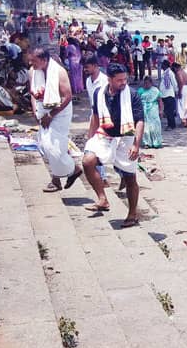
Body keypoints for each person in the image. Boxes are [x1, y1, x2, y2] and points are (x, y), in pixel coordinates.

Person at [82, 63, 144, 228]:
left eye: (125, 79)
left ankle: (132, 214)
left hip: (127, 136)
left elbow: (140, 121)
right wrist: (91, 138)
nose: (123, 83)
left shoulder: (132, 95)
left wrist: (136, 145)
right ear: (109, 79)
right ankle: (102, 199)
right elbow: (95, 116)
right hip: (106, 135)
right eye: (119, 80)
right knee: (87, 161)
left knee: (130, 177)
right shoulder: (99, 93)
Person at [29, 46, 82, 192]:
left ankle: (68, 172)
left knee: (54, 146)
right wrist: (35, 110)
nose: (31, 64)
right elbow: (33, 93)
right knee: (45, 146)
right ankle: (68, 173)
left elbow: (67, 96)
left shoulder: (59, 72)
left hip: (60, 111)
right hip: (42, 110)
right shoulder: (33, 71)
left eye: (34, 61)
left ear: (44, 60)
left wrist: (51, 115)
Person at [136, 76, 163, 149]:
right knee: (145, 127)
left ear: (151, 83)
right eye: (145, 83)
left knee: (155, 127)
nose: (146, 85)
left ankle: (156, 142)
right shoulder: (140, 90)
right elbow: (137, 101)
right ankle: (146, 143)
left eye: (148, 83)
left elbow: (160, 101)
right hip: (143, 110)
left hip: (153, 110)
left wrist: (161, 111)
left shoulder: (155, 91)